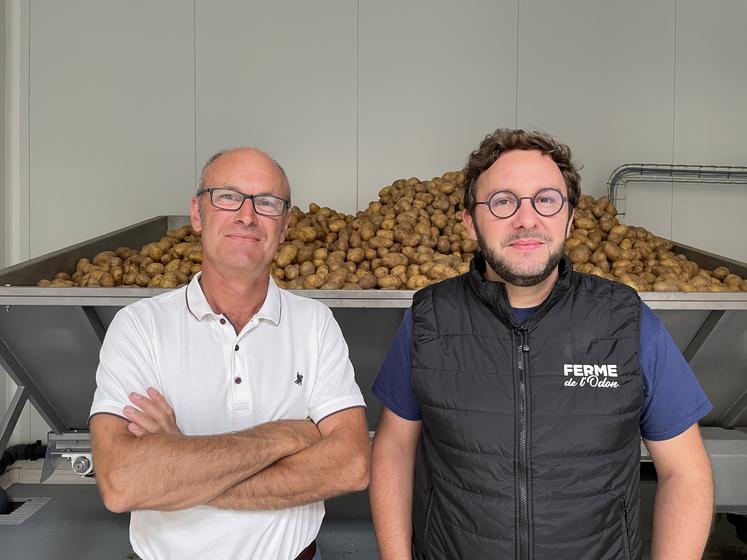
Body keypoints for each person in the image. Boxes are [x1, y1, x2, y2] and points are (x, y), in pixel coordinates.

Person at [369, 129, 714, 560]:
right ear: (469, 223)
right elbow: (394, 448)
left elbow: (686, 471)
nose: (526, 219)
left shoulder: (626, 321)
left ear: (569, 218)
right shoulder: (430, 318)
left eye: (546, 200)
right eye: (503, 201)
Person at [90, 147, 370, 560]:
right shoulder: (139, 327)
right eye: (227, 197)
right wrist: (287, 434)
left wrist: (178, 468)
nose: (247, 215)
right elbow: (122, 483)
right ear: (197, 213)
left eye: (267, 203)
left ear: (286, 225)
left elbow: (352, 465)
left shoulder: (315, 324)